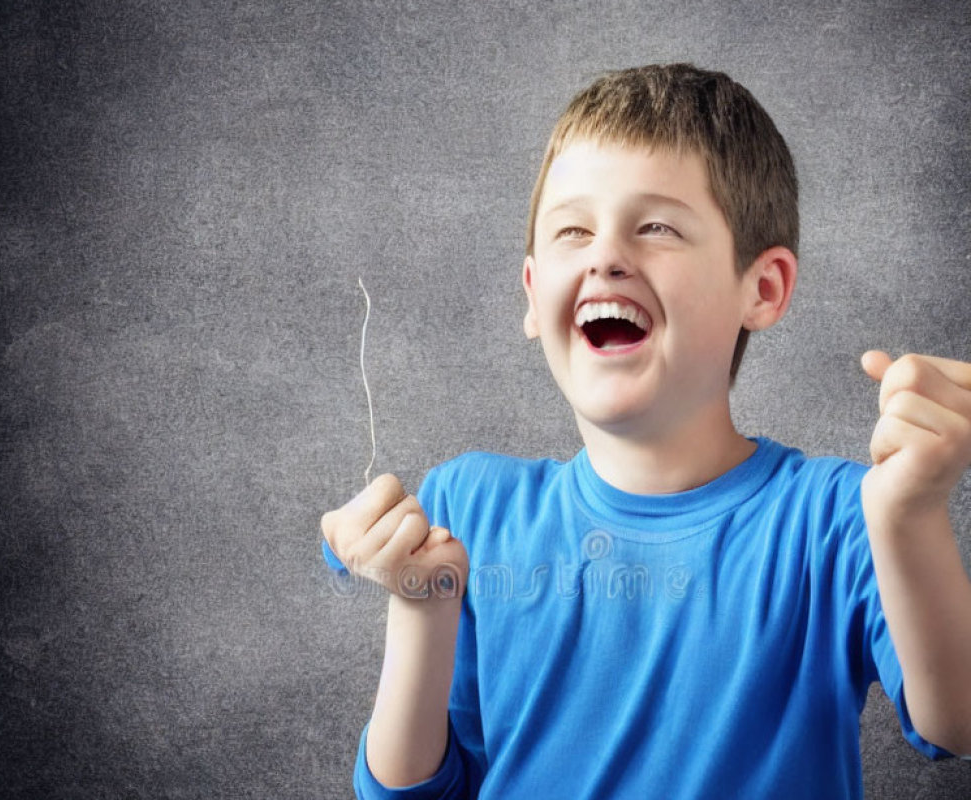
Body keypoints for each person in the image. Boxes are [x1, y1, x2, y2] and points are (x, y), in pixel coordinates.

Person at [321, 63, 971, 798]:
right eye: (573, 230)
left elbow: (955, 724)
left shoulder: (842, 518)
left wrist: (912, 518)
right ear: (534, 297)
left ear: (762, 289)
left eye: (656, 226)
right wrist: (421, 608)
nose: (604, 256)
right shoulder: (468, 508)